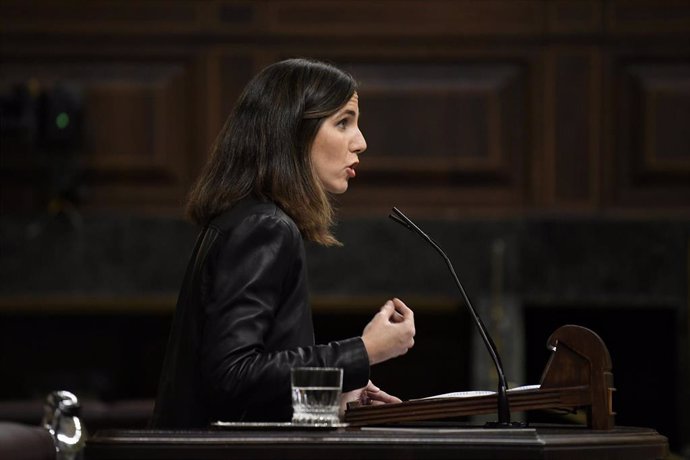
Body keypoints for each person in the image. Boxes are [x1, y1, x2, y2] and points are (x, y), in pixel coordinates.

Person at [151, 58, 416, 428]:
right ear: (293, 133)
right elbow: (233, 374)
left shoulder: (248, 217)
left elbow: (250, 384)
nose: (361, 142)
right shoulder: (264, 225)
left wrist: (333, 392)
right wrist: (365, 350)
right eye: (342, 122)